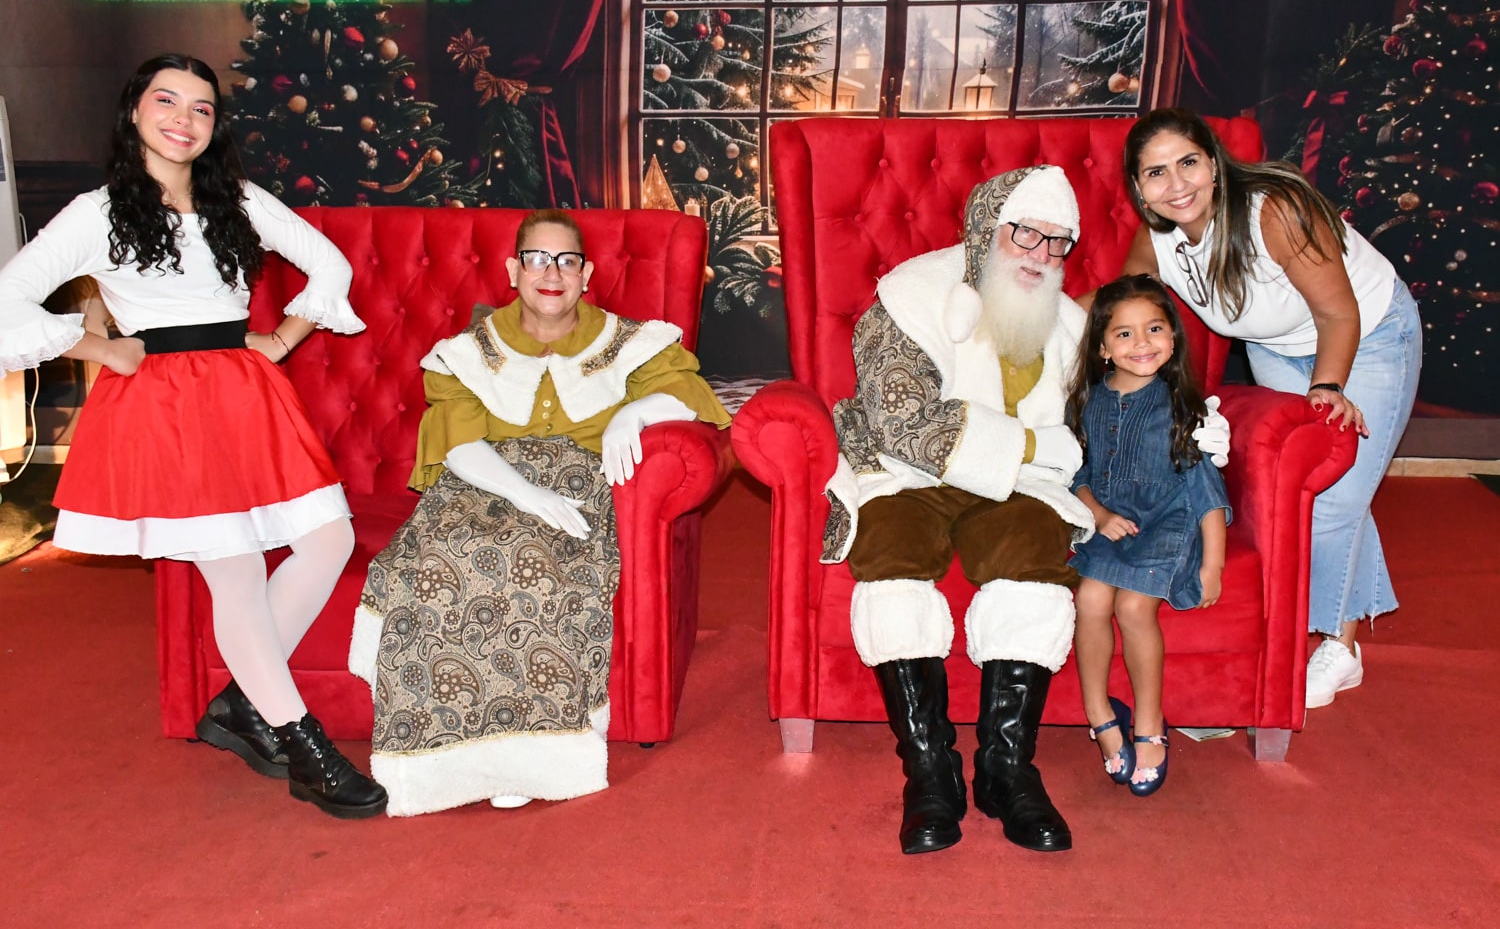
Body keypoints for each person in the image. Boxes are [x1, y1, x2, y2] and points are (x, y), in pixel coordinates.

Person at [0, 53, 386, 818]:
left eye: (202, 108)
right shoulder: (97, 212)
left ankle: (242, 703)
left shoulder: (236, 198)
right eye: (167, 101)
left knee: (329, 538)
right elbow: (7, 302)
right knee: (235, 572)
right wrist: (101, 347)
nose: (184, 118)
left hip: (246, 394)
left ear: (214, 125)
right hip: (167, 406)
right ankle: (302, 743)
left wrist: (280, 340)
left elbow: (329, 265)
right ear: (134, 112)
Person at [349, 208, 730, 817]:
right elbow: (459, 444)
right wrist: (531, 497)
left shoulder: (627, 341)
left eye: (567, 261)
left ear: (586, 275)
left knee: (538, 565)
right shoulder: (467, 352)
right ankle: (444, 765)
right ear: (513, 270)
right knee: (445, 559)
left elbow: (689, 392)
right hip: (481, 481)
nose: (552, 273)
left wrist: (633, 414)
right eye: (537, 259)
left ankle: (529, 758)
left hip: (577, 484)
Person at [824, 166, 1107, 855]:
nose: (1041, 254)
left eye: (1058, 242)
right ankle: (929, 771)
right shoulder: (910, 296)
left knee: (1034, 565)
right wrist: (1033, 443)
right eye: (1026, 233)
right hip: (907, 473)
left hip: (1021, 485)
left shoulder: (1072, 327)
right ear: (988, 229)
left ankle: (1006, 770)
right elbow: (900, 422)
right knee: (889, 560)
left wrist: (1188, 430)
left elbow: (1108, 418)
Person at [1122, 107, 1421, 709]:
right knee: (1323, 487)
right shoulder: (1158, 240)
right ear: (1138, 187)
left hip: (1369, 333)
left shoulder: (1274, 211)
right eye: (1156, 173)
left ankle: (1336, 644)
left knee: (1332, 501)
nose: (1176, 185)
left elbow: (1338, 313)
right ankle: (1340, 637)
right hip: (1276, 346)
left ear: (1214, 163)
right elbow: (1117, 308)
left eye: (1188, 163)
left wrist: (1329, 387)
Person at [1066, 275, 1230, 798]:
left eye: (1154, 329)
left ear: (1173, 337)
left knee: (1134, 606)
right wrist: (1097, 514)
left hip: (1168, 522)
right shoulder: (1089, 402)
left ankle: (1149, 722)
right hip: (1109, 521)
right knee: (1090, 599)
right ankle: (1099, 712)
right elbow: (1079, 474)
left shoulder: (1183, 407)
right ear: (1102, 347)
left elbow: (1206, 492)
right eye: (1124, 334)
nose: (1142, 343)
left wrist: (1212, 565)